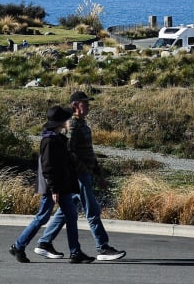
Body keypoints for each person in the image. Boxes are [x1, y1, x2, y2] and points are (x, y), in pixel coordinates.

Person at [35, 91, 126, 262]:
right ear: (75, 105)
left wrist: (98, 174)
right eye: (85, 103)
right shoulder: (73, 125)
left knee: (65, 211)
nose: (88, 106)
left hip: (83, 174)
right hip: (79, 175)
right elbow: (68, 151)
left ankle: (44, 242)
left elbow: (88, 153)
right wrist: (82, 170)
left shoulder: (81, 124)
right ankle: (103, 247)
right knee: (92, 210)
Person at [10, 105, 94, 264]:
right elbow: (48, 167)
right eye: (65, 119)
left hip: (61, 185)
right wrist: (54, 189)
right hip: (54, 187)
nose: (68, 121)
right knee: (42, 217)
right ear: (60, 122)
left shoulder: (56, 138)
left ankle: (75, 252)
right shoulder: (49, 140)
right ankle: (18, 246)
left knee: (70, 215)